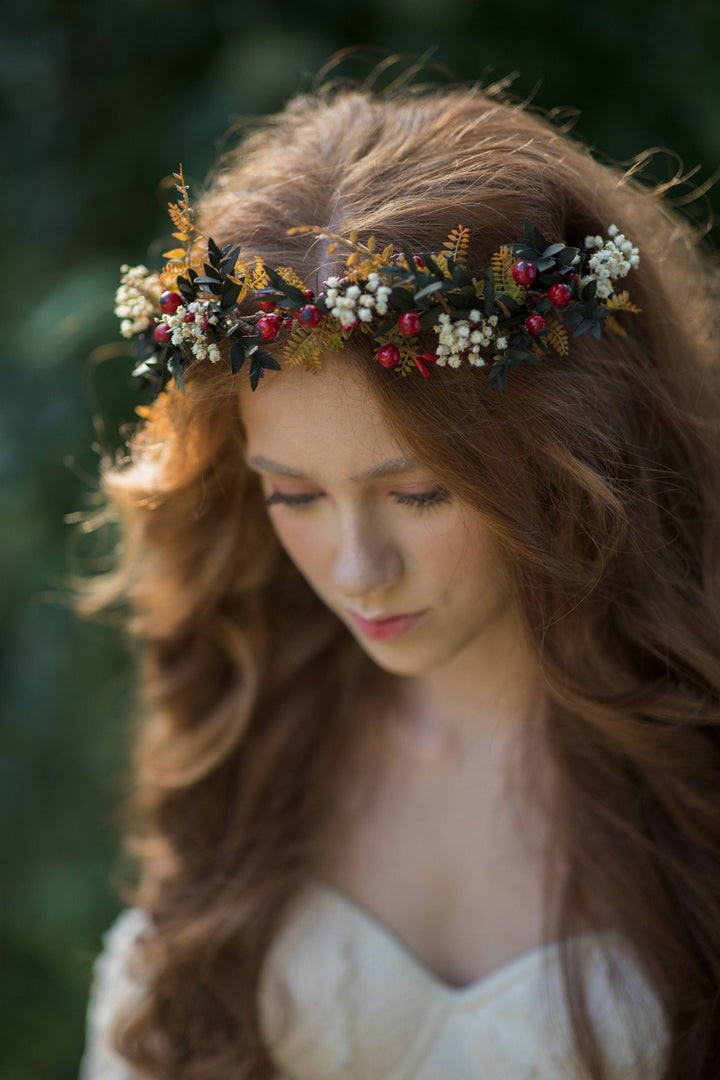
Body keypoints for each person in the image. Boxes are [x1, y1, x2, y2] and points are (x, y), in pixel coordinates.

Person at [78, 83, 720, 1080]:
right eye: (293, 495)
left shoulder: (695, 763)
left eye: (419, 495)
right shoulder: (253, 722)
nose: (357, 569)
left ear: (572, 459)